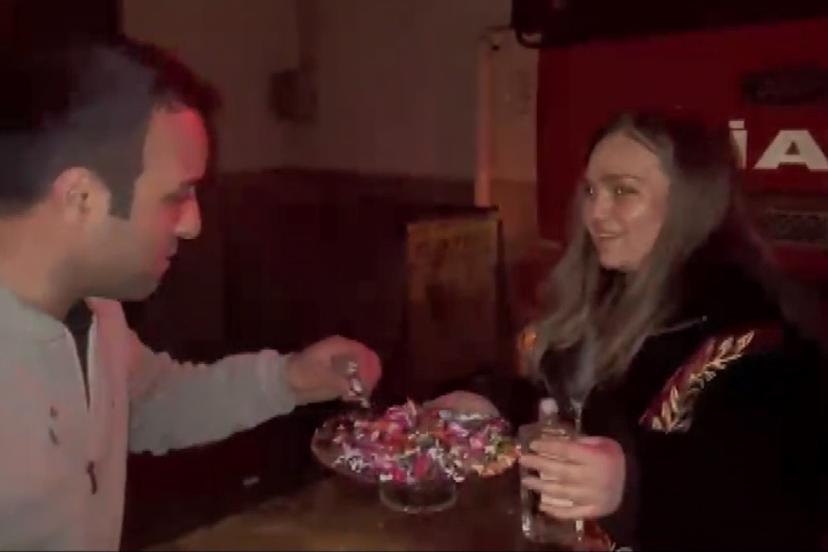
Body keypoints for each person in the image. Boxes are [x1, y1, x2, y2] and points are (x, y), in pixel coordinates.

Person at [0, 39, 381, 549]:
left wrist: (289, 379)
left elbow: (148, 399)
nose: (193, 224)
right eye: (176, 196)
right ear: (81, 199)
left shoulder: (96, 308)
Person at [433, 111, 825, 550]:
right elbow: (568, 408)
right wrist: (490, 405)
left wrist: (635, 484)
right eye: (591, 191)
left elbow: (774, 499)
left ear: (690, 203)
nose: (596, 213)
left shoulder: (757, 333)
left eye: (623, 191)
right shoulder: (603, 294)